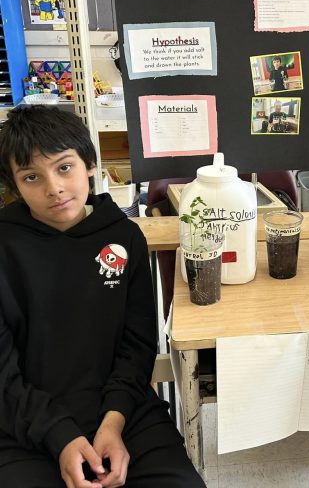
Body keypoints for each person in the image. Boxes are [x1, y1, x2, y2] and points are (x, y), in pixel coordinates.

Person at [0, 106, 205, 488]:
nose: (54, 187)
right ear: (15, 187)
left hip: (123, 411)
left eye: (64, 167)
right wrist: (61, 438)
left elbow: (137, 345)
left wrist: (113, 423)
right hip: (23, 423)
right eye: (31, 177)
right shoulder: (6, 247)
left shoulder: (125, 237)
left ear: (91, 164)